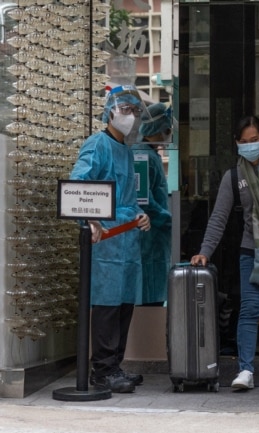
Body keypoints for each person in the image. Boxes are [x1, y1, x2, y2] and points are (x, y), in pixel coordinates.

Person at [190, 115, 259, 390]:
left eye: (255, 140)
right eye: (244, 142)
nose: (250, 146)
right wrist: (205, 251)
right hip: (252, 250)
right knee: (250, 308)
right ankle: (245, 369)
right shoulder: (234, 176)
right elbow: (218, 217)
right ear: (237, 143)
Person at [69, 85, 152, 393]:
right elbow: (78, 185)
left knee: (123, 306)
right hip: (105, 242)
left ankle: (115, 366)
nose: (129, 116)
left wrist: (140, 215)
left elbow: (127, 199)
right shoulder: (98, 144)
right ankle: (102, 371)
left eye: (134, 111)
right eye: (125, 110)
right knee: (105, 306)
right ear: (110, 111)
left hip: (127, 242)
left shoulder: (127, 152)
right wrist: (88, 219)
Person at [131, 103, 173, 306]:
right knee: (148, 297)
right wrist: (166, 219)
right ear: (155, 131)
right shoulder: (142, 156)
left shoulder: (149, 154)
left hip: (154, 239)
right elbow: (143, 200)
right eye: (166, 130)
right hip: (149, 238)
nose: (168, 134)